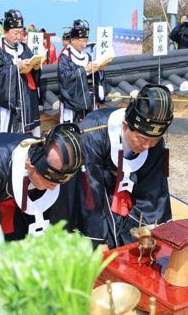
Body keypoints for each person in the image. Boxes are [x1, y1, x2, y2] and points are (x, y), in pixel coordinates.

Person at [63, 84, 174, 249]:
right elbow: (89, 191)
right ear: (125, 124)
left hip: (128, 197)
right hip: (96, 194)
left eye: (154, 140)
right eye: (142, 139)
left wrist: (148, 230)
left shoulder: (153, 143)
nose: (147, 146)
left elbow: (153, 192)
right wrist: (97, 240)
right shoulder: (92, 134)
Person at [0, 9, 41, 135]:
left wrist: (35, 68)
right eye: (15, 33)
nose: (19, 36)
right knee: (8, 135)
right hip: (8, 103)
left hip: (27, 97)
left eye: (21, 32)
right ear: (5, 32)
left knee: (29, 136)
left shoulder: (24, 48)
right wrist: (16, 67)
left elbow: (33, 74)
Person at [57, 19, 108, 123]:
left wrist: (99, 70)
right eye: (82, 40)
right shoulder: (65, 58)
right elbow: (65, 80)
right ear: (72, 40)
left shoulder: (87, 56)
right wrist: (84, 70)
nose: (84, 44)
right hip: (73, 105)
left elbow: (93, 79)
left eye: (86, 40)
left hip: (89, 102)